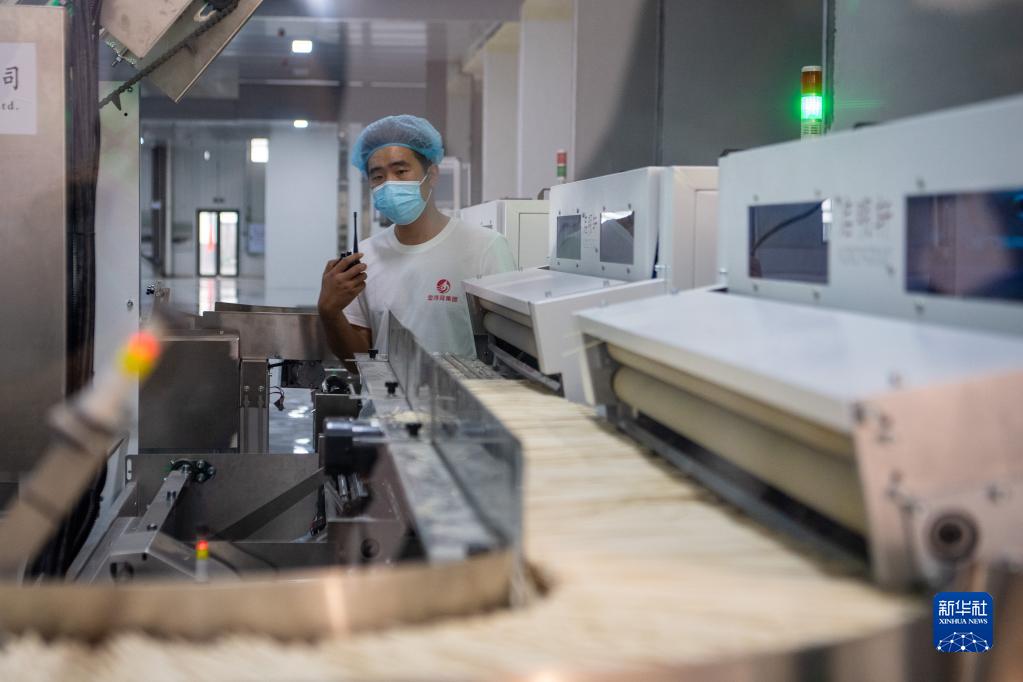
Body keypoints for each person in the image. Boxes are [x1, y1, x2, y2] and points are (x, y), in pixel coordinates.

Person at [318, 115, 516, 359]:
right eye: (378, 176)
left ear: (432, 175)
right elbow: (357, 361)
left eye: (401, 171)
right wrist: (330, 312)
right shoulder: (365, 257)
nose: (389, 184)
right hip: (386, 386)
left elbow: (508, 347)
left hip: (457, 385)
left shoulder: (484, 247)